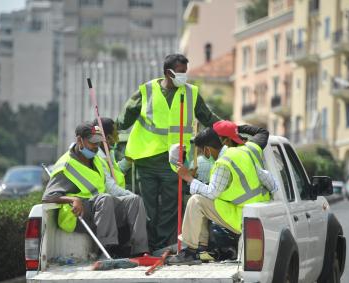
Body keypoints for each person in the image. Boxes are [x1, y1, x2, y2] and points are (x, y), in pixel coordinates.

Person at [116, 53, 221, 251]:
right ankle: (145, 244)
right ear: (168, 72)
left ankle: (161, 246)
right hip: (146, 159)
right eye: (180, 72)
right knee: (148, 207)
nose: (184, 76)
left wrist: (228, 129)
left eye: (185, 72)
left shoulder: (191, 93)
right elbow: (123, 119)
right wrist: (109, 129)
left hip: (175, 160)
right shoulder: (147, 91)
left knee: (170, 207)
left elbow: (208, 118)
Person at [167, 123, 272, 265]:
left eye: (202, 151)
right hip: (259, 211)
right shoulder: (248, 149)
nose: (204, 155)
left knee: (196, 201)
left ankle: (190, 252)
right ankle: (202, 250)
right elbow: (262, 132)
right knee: (201, 198)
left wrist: (188, 178)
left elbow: (211, 193)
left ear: (207, 150)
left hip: (241, 217)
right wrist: (236, 127)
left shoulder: (223, 163)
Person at [42, 121, 149, 257]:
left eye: (98, 143)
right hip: (76, 216)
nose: (96, 147)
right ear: (79, 140)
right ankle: (106, 251)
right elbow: (47, 197)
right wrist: (73, 199)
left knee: (134, 200)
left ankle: (140, 251)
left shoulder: (96, 159)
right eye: (92, 142)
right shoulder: (66, 165)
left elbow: (105, 186)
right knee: (104, 199)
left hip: (101, 209)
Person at [93, 117, 131, 189]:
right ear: (108, 138)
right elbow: (110, 188)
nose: (118, 139)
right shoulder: (98, 158)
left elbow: (114, 172)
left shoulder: (108, 152)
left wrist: (128, 161)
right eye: (116, 135)